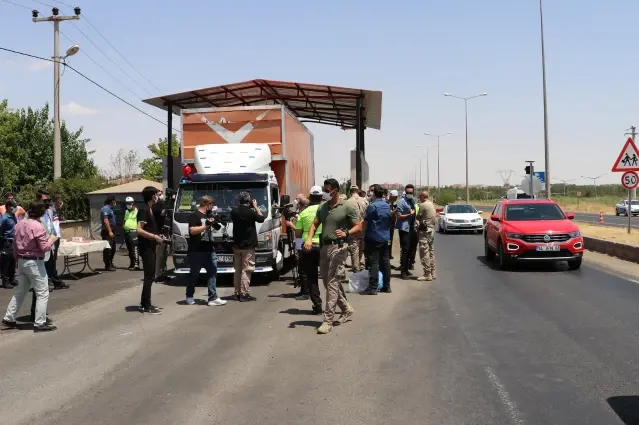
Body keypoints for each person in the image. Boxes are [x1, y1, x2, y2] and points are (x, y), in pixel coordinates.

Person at [305, 178, 360, 335]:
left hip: (339, 248)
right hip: (324, 247)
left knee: (333, 283)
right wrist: (309, 238)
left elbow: (359, 226)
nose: (325, 193)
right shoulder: (323, 208)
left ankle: (328, 321)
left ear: (336, 190)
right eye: (325, 190)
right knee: (327, 282)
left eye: (328, 190)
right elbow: (315, 224)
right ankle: (346, 308)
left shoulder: (347, 207)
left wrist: (347, 232)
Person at [2, 200, 58, 332]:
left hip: (22, 260)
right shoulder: (38, 226)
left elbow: (15, 243)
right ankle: (39, 322)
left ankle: (9, 317)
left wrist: (17, 259)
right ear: (41, 212)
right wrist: (51, 240)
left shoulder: (20, 224)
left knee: (21, 291)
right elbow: (44, 247)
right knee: (43, 292)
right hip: (34, 262)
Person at [186, 195, 227, 306]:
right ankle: (189, 295)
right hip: (196, 250)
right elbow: (192, 231)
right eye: (212, 204)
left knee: (212, 273)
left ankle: (212, 298)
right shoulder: (194, 215)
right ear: (207, 204)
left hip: (209, 248)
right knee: (194, 274)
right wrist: (206, 226)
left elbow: (216, 227)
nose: (212, 206)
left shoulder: (209, 215)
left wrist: (216, 222)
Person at [231, 192, 265, 301]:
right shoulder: (250, 213)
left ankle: (237, 292)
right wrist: (255, 207)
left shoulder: (234, 212)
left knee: (238, 270)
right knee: (246, 270)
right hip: (248, 246)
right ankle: (244, 294)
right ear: (249, 201)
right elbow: (261, 218)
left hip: (236, 245)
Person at [295, 186, 324, 313]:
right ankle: (335, 305)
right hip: (324, 246)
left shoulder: (303, 213)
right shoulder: (326, 210)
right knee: (330, 278)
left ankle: (317, 305)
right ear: (322, 197)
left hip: (308, 247)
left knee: (312, 277)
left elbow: (298, 234)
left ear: (310, 197)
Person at [136, 186, 163, 314]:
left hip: (151, 246)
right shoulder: (143, 209)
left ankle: (145, 303)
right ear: (152, 196)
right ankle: (146, 305)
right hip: (146, 247)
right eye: (157, 194)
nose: (158, 196)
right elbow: (139, 230)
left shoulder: (150, 209)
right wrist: (154, 236)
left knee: (150, 276)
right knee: (149, 277)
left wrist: (157, 238)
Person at [361, 184, 392, 294]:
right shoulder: (386, 205)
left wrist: (361, 233)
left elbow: (365, 222)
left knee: (374, 263)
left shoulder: (372, 206)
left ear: (374, 193)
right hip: (384, 237)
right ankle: (387, 286)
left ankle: (373, 287)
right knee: (385, 262)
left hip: (373, 238)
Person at [395, 184, 417, 279]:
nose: (409, 194)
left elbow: (415, 213)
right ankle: (403, 272)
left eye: (411, 193)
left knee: (411, 250)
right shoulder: (401, 202)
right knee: (405, 250)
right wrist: (409, 214)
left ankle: (407, 269)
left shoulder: (412, 201)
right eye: (408, 192)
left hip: (412, 228)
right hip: (404, 229)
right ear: (405, 192)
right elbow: (398, 216)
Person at [346, 185, 367, 273]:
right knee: (361, 249)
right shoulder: (365, 201)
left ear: (350, 192)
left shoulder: (347, 202)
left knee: (354, 250)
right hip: (363, 229)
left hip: (352, 229)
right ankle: (361, 266)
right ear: (358, 191)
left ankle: (356, 270)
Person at [416, 191, 437, 281]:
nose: (419, 198)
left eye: (419, 196)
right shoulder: (431, 204)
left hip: (425, 231)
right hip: (431, 230)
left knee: (424, 252)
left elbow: (418, 217)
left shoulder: (423, 205)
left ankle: (427, 274)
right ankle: (433, 272)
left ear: (423, 196)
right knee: (431, 251)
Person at [0, 200, 18, 289]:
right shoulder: (4, 218)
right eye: (13, 207)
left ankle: (12, 279)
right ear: (7, 207)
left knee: (13, 261)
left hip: (14, 242)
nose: (15, 208)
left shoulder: (13, 216)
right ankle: (5, 281)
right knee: (6, 263)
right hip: (6, 242)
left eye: (15, 206)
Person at [100, 195, 117, 271]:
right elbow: (105, 220)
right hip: (107, 232)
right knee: (108, 249)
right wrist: (110, 231)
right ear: (111, 201)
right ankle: (107, 265)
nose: (115, 202)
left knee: (113, 248)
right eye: (114, 201)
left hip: (112, 231)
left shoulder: (111, 209)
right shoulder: (105, 209)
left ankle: (110, 263)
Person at [123, 196, 140, 271]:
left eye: (129, 203)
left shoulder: (137, 211)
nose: (128, 204)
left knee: (134, 249)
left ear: (133, 203)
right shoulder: (126, 211)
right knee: (129, 249)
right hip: (127, 232)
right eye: (127, 203)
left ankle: (136, 265)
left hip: (134, 232)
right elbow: (124, 220)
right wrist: (124, 226)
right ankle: (132, 263)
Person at [388, 190, 399, 259]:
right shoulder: (387, 203)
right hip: (387, 225)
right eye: (395, 197)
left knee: (390, 240)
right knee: (388, 240)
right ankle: (387, 253)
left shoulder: (394, 204)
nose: (396, 199)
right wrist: (397, 209)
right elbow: (390, 213)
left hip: (392, 224)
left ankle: (389, 253)